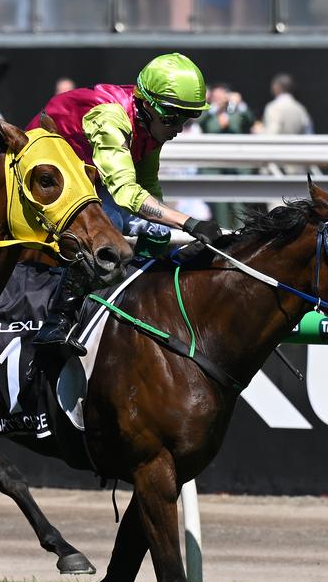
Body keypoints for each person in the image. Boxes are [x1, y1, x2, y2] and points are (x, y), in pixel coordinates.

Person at [25, 52, 222, 356]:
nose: (179, 128)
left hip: (83, 178)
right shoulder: (110, 117)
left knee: (156, 231)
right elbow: (125, 194)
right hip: (43, 177)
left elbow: (149, 189)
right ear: (146, 105)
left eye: (187, 118)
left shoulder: (150, 128)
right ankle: (59, 320)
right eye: (172, 117)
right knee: (109, 223)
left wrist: (170, 227)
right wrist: (189, 223)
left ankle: (132, 289)